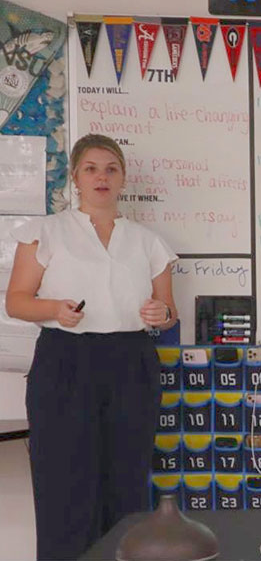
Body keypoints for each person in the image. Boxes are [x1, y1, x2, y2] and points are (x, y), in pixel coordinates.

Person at [5, 134, 178, 559]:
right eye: (91, 168)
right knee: (65, 481)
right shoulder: (45, 231)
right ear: (75, 179)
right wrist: (54, 309)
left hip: (130, 362)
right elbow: (16, 301)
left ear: (123, 179)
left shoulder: (147, 241)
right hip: (66, 360)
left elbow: (168, 309)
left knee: (126, 480)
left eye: (111, 169)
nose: (102, 177)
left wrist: (161, 314)